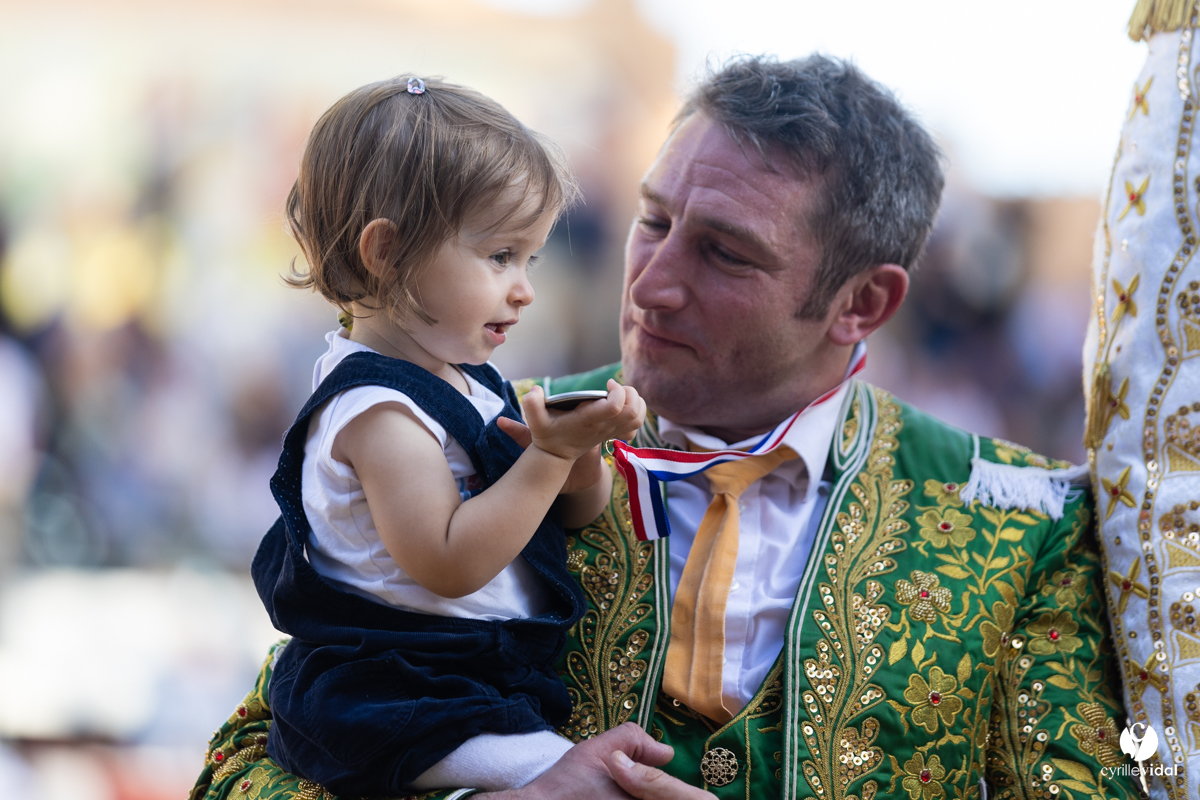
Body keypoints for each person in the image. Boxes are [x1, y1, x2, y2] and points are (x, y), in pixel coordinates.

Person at [194, 56, 1136, 800]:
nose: (649, 282)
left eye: (726, 253)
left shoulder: (1022, 525)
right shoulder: (484, 431)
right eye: (651, 222)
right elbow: (251, 757)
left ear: (862, 301)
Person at [249, 74, 646, 796]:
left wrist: (579, 457)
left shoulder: (468, 379)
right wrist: (548, 455)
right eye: (500, 257)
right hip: (402, 697)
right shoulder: (379, 414)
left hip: (469, 680)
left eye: (531, 259)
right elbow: (450, 560)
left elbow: (571, 515)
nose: (524, 287)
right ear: (386, 253)